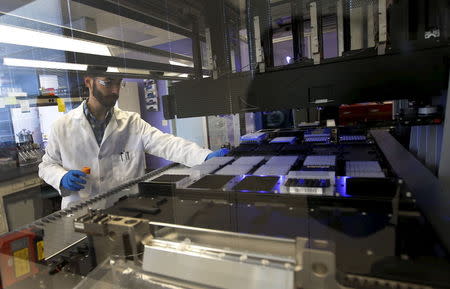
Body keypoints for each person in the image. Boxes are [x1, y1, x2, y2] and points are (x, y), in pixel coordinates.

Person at [38, 66, 228, 209]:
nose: (115, 90)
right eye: (108, 82)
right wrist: (61, 177)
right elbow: (46, 166)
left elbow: (166, 143)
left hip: (127, 212)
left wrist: (204, 157)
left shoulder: (131, 122)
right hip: (81, 215)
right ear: (89, 82)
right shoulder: (61, 127)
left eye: (118, 83)